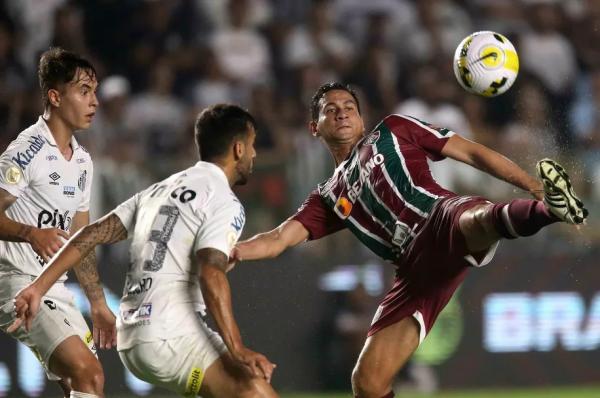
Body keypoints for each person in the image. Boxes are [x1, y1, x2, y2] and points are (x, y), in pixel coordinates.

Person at [231, 82, 588, 398]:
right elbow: (279, 238)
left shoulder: (394, 129)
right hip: (415, 273)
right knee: (367, 382)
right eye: (330, 110)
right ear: (314, 127)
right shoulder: (327, 197)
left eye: (349, 108)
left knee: (474, 220)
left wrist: (534, 186)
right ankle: (545, 209)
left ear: (362, 117)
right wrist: (234, 250)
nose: (342, 114)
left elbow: (472, 152)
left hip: (438, 218)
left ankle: (549, 210)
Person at [10, 104, 279, 398]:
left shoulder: (159, 190)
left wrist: (38, 287)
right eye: (252, 146)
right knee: (252, 391)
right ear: (238, 149)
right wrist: (237, 348)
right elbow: (211, 272)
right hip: (169, 333)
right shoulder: (224, 202)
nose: (254, 155)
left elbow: (89, 234)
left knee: (248, 388)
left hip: (132, 336)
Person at [0, 47, 116, 398]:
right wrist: (30, 233)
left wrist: (96, 302)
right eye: (84, 91)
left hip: (54, 287)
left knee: (82, 386)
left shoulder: (82, 162)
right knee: (88, 374)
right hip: (14, 280)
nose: (94, 101)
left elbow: (81, 239)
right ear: (54, 95)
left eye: (94, 91)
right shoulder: (27, 150)